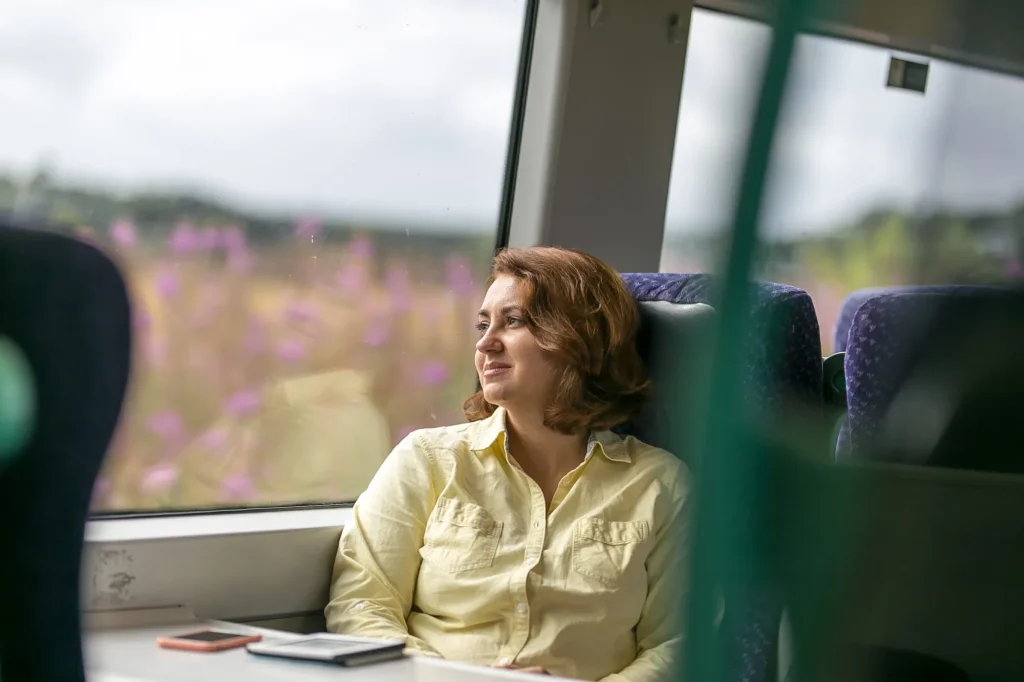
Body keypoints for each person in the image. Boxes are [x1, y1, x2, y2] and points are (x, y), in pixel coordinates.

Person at [325, 246, 691, 682]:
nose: (484, 342)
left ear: (579, 337)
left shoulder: (660, 485)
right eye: (483, 324)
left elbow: (678, 644)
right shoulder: (427, 460)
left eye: (512, 321)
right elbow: (361, 604)